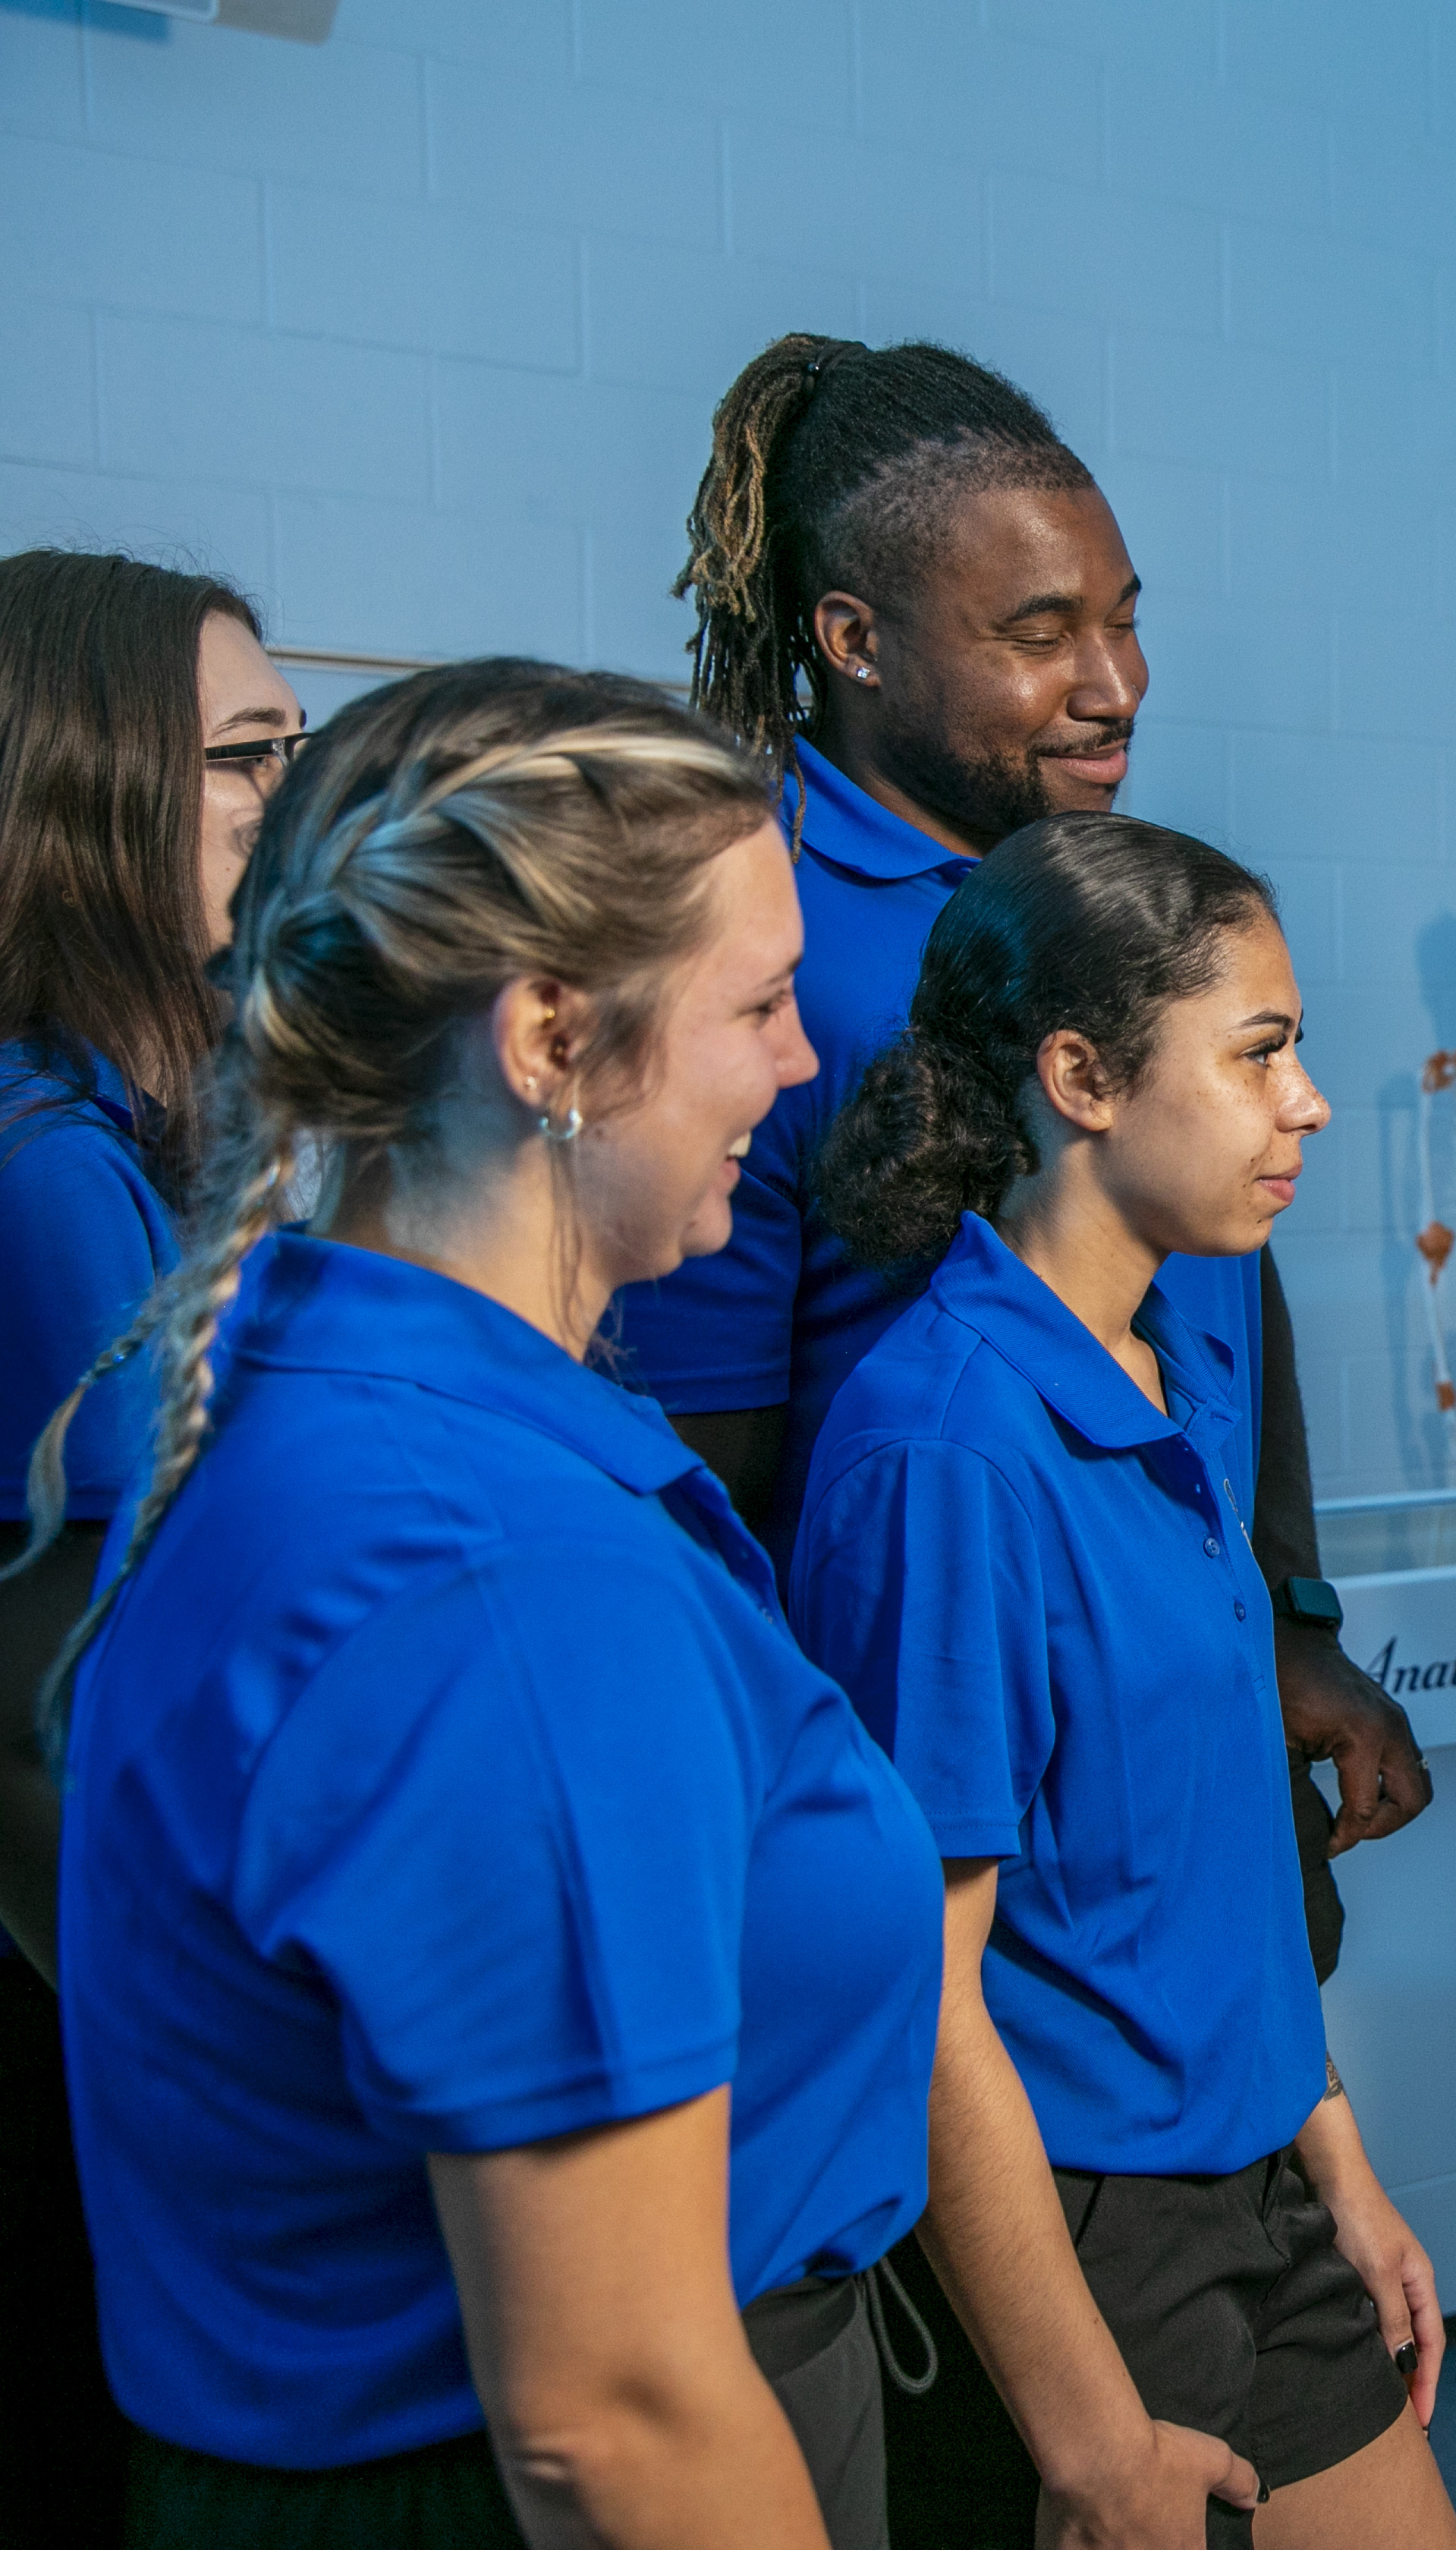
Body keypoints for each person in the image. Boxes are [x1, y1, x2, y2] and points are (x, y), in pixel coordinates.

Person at [28, 660, 941, 2546]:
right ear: (548, 1038)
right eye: (758, 1004)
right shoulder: (492, 1578)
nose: (795, 1063)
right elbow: (617, 2414)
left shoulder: (328, 1409)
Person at [615, 331, 1425, 1857]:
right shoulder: (752, 936)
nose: (1115, 686)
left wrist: (1286, 1614)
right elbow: (695, 1494)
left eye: (1124, 622)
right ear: (856, 640)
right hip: (961, 1819)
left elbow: (1234, 1277)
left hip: (1193, 1752)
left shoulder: (1100, 894)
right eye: (1041, 633)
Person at [793, 813, 1456, 2550]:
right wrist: (1090, 2443)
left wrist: (1342, 2172)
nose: (1305, 1100)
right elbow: (925, 2006)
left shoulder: (1167, 1371)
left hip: (1259, 2188)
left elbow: (1210, 1861)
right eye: (1257, 1054)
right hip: (1084, 2241)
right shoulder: (944, 1449)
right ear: (1082, 1077)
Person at [0, 546, 303, 2541]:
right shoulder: (54, 1183)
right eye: (245, 762)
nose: (289, 810)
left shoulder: (112, 1123)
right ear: (96, 789)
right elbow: (57, 1730)